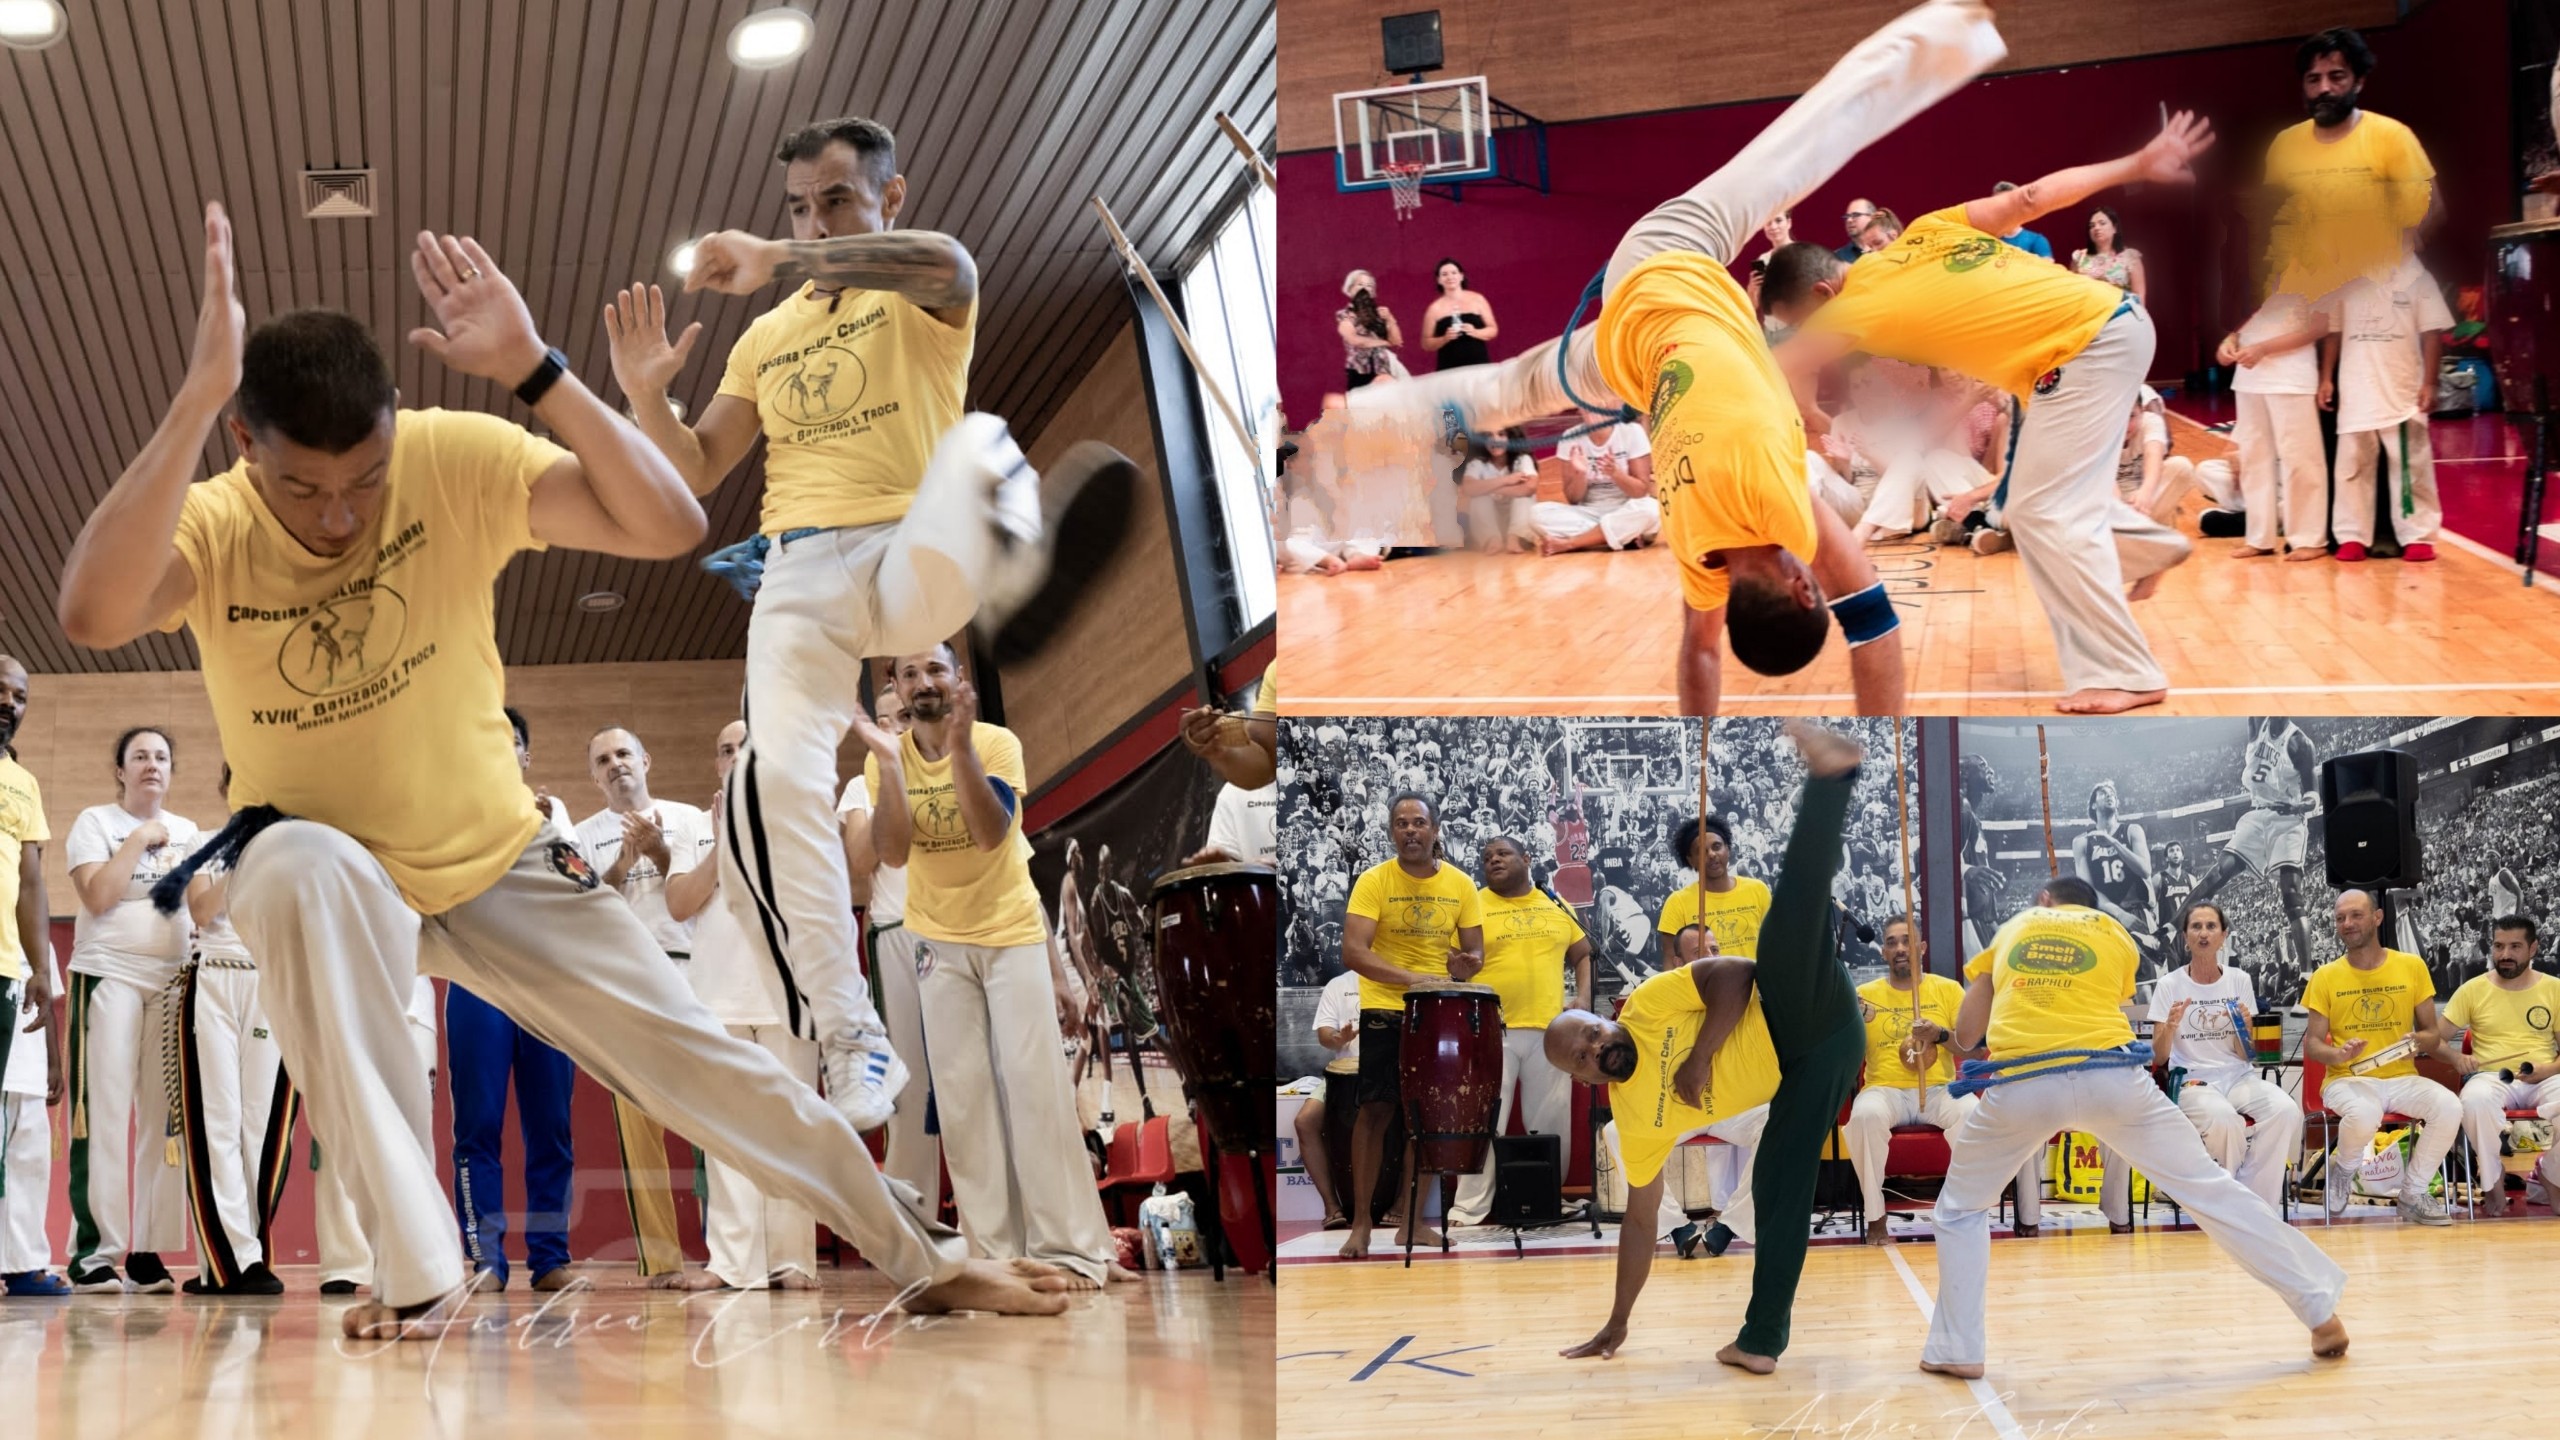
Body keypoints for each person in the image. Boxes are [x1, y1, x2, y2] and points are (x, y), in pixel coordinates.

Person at [59, 204, 1069, 1337]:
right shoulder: (212, 523)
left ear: (398, 427)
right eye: (306, 490)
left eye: (366, 478)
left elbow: (668, 521)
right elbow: (92, 612)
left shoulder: (451, 459)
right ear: (247, 445)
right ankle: (420, 1268)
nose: (340, 514)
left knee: (697, 1061)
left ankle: (920, 1256)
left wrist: (537, 370)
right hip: (337, 867)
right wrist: (194, 398)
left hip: (499, 863)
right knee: (282, 864)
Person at [604, 114, 1139, 1145]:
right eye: (797, 208)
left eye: (836, 201)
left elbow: (946, 258)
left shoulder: (926, 286)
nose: (811, 223)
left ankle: (1018, 580)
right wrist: (641, 396)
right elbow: (698, 465)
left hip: (911, 548)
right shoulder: (767, 335)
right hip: (799, 568)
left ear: (889, 197)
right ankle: (851, 1036)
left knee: (980, 440)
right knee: (771, 783)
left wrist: (780, 256)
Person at [1324, 0, 2012, 715]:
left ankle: (1953, 27)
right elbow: (1701, 652)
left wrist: (1879, 759)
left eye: (1809, 575)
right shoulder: (1697, 555)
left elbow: (1874, 625)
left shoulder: (1779, 505)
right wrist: (1698, 757)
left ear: (1803, 585)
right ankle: (1375, 413)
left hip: (1667, 267)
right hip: (1623, 357)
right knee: (1512, 387)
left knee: (1794, 153)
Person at [1765, 109, 2216, 715]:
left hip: (2086, 347)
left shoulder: (1850, 310)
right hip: (2113, 323)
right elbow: (2032, 196)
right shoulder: (1925, 229)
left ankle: (2128, 673)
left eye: (1807, 321)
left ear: (1823, 296)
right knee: (2023, 508)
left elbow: (1774, 367)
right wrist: (2136, 162)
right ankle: (2147, 545)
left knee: (2043, 514)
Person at [1919, 876, 2349, 1378]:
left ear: (2042, 902)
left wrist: (1945, 1032)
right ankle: (2319, 1312)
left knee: (1960, 1210)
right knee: (2210, 1190)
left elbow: (1970, 1037)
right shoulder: (2113, 932)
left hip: (2024, 1082)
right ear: (2091, 906)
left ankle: (1958, 1349)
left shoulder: (2014, 926)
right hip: (2112, 1077)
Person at [1547, 720, 1870, 1371]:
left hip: (1799, 1009)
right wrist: (1617, 1322)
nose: (1593, 1048)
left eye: (1589, 1031)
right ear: (1584, 1081)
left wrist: (1698, 1059)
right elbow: (1640, 1225)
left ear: (1603, 1019)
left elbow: (1734, 975)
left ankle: (1830, 781)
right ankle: (1760, 1342)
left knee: (1778, 935)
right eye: (1581, 1058)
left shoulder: (1646, 1004)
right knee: (1780, 1190)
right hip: (1814, 1071)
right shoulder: (1635, 1123)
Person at [853, 644, 1123, 1288]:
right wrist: (891, 764)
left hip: (1009, 932)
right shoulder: (880, 759)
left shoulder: (996, 742)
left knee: (1033, 1087)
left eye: (936, 670)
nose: (924, 682)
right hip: (933, 938)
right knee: (964, 1099)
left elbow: (989, 833)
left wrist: (962, 747)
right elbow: (889, 852)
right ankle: (995, 1255)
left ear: (958, 679)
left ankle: (1070, 1250)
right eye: (910, 674)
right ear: (895, 688)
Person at [575, 726, 718, 1289]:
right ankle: (660, 1259)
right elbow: (580, 913)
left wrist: (660, 854)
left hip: (694, 973)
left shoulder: (689, 819)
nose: (616, 765)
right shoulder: (583, 836)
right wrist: (619, 865)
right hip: (624, 984)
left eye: (624, 754)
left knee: (713, 1116)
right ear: (593, 776)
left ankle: (729, 1252)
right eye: (603, 760)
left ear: (646, 759)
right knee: (639, 1129)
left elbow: (705, 897)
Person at [443, 707, 578, 1293]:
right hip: (477, 983)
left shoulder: (553, 817)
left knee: (551, 1127)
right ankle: (486, 1260)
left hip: (545, 987)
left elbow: (579, 897)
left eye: (513, 741)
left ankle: (550, 1258)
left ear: (525, 755)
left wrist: (548, 837)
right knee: (479, 1126)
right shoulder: (445, 819)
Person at [63, 727, 199, 1294]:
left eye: (161, 756)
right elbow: (99, 896)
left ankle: (146, 1251)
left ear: (171, 770)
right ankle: (94, 1254)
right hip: (109, 976)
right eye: (139, 756)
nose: (151, 765)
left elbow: (203, 901)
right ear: (119, 770)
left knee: (165, 1124)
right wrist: (139, 839)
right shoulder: (96, 822)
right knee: (106, 1114)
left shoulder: (190, 831)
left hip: (171, 983)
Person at [697, 719, 822, 1289]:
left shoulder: (799, 816)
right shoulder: (697, 828)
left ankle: (792, 1260)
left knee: (791, 1131)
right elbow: (678, 904)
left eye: (745, 746)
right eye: (725, 750)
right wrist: (723, 843)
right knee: (729, 1137)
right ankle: (732, 1264)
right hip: (719, 998)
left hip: (789, 997)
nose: (735, 755)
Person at [1338, 791, 1484, 1260]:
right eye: (1400, 823)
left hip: (1438, 1012)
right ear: (1391, 832)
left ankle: (1412, 1224)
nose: (1410, 831)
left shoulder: (1461, 885)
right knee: (1376, 1113)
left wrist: (1464, 968)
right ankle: (1361, 1223)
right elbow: (1354, 953)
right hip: (1384, 1008)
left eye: (1419, 822)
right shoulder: (1373, 880)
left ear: (1435, 829)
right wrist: (1412, 979)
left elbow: (1474, 957)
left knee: (1428, 1120)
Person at [1847, 914, 2042, 1242]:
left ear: (1922, 947)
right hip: (1884, 1089)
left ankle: (1962, 1210)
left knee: (1969, 1113)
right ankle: (1876, 1218)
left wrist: (1939, 1035)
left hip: (1939, 1089)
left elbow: (1971, 1050)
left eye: (1908, 940)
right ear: (1882, 952)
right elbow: (1848, 1051)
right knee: (1864, 1116)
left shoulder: (1947, 990)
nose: (1900, 948)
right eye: (1892, 942)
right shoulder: (1864, 995)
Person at [176, 764, 295, 1296]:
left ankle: (243, 1256)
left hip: (269, 983)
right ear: (227, 789)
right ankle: (232, 1261)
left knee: (259, 1125)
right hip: (215, 982)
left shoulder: (290, 846)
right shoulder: (204, 841)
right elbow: (201, 908)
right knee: (217, 1121)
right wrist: (242, 854)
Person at [1448, 836, 1591, 1227]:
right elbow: (1454, 962)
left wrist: (1582, 997)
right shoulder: (1471, 904)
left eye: (1502, 854)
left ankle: (1547, 1198)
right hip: (1492, 1028)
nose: (1493, 860)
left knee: (1551, 1121)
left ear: (1527, 859)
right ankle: (1469, 1208)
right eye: (1487, 857)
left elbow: (1583, 954)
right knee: (1484, 1119)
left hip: (1552, 1032)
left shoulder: (1556, 903)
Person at [2300, 889, 2459, 1224]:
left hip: (2402, 1077)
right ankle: (2343, 1170)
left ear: (2377, 918)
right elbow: (2313, 1044)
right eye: (2340, 918)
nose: (2347, 923)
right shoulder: (2325, 976)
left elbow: (2432, 1032)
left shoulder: (2411, 966)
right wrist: (2337, 1052)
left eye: (2356, 915)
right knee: (2364, 1112)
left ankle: (2413, 1195)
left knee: (2450, 1107)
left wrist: (2419, 1039)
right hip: (2347, 1079)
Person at [839, 692, 939, 1203]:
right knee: (910, 1085)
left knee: (966, 1080)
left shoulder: (948, 768)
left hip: (954, 929)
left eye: (908, 716)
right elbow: (860, 861)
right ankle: (916, 1222)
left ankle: (988, 1228)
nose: (902, 727)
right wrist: (889, 782)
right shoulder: (863, 784)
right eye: (891, 719)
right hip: (894, 933)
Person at [2143, 901, 2302, 1214]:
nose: (2204, 933)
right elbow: (2159, 1057)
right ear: (2185, 937)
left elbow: (2248, 1054)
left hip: (2238, 1076)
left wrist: (2245, 1028)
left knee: (2286, 1111)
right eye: (2196, 927)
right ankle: (2224, 1207)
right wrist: (2170, 1028)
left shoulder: (2239, 980)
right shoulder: (2169, 984)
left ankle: (2255, 1205)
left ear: (2223, 935)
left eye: (2211, 926)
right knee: (2224, 1121)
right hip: (2192, 1079)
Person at [2263, 27, 2436, 307]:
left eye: (2337, 76)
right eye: (2313, 79)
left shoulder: (2392, 136)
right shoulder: (2284, 145)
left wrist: (2392, 272)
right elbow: (2276, 226)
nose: (2324, 89)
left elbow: (2429, 209)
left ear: (2359, 82)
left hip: (2374, 300)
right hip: (2305, 301)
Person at [2322, 256, 2450, 563]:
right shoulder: (2346, 279)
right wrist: (2326, 377)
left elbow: (2432, 333)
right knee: (2351, 466)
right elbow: (2334, 332)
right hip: (2356, 389)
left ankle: (2417, 535)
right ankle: (2352, 535)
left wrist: (2430, 383)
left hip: (2402, 388)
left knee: (2410, 466)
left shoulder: (2419, 277)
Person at [2430, 914, 2560, 1218]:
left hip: (2544, 1075)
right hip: (2491, 1077)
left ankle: (2551, 1177)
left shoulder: (2554, 988)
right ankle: (2492, 1182)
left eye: (2515, 946)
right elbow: (2433, 1040)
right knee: (2473, 1101)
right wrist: (2455, 1058)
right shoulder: (2472, 989)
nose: (2505, 955)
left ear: (2534, 949)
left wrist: (2549, 1070)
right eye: (2499, 946)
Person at [2186, 718, 2318, 980]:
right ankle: (2171, 929)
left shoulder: (2299, 742)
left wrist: (2303, 805)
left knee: (2291, 892)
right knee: (2217, 873)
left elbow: (2313, 791)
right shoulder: (2257, 724)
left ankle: (2306, 976)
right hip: (2257, 814)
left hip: (2287, 818)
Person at [2209, 291, 2330, 558]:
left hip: (2292, 378)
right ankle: (2259, 537)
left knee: (2300, 460)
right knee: (2253, 459)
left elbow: (2320, 325)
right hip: (2250, 379)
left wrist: (2264, 348)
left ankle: (2309, 538)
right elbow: (2252, 320)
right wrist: (2230, 341)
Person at [0, 657, 50, 1180]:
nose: (8, 704)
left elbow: (32, 882)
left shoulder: (24, 783)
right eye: (0, 692)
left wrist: (39, 968)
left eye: (19, 697)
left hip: (2, 970)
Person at [1, 944, 64, 1295]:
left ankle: (24, 1265)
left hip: (28, 1066)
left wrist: (52, 1061)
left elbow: (47, 1005)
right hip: (3, 1062)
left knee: (30, 1165)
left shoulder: (36, 936)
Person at [1533, 410, 1660, 555]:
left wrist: (1616, 474)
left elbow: (1640, 491)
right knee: (1536, 514)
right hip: (1590, 512)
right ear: (1580, 409)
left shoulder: (1632, 431)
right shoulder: (1570, 437)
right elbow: (1573, 499)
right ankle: (1623, 536)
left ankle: (1572, 543)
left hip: (1626, 509)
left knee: (1652, 509)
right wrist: (1580, 474)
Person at [1297, 968, 1363, 1230]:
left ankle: (1403, 1204)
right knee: (1305, 1121)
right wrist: (1339, 1038)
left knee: (1417, 1123)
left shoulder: (1398, 977)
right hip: (1343, 1073)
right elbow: (1326, 1038)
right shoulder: (1339, 984)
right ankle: (1332, 1206)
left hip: (1390, 1072)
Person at [2072, 781, 2159, 976]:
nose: (2109, 795)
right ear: (2093, 805)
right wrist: (2120, 915)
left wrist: (2114, 842)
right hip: (2107, 915)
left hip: (2137, 911)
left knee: (2147, 984)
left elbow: (2145, 870)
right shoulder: (2081, 842)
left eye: (2112, 792)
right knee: (2115, 983)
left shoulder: (2132, 831)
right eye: (2103, 793)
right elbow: (2089, 892)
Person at [1655, 815, 1771, 959]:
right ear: (1690, 860)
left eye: (1717, 847)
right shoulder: (1677, 903)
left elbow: (1775, 944)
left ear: (1728, 849)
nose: (1711, 854)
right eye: (1702, 851)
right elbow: (1671, 964)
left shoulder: (1758, 890)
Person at [1458, 429, 1539, 554]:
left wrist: (1488, 488)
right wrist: (1507, 480)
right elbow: (1468, 488)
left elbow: (1530, 487)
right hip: (1493, 519)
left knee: (1524, 498)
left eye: (1501, 435)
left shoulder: (1522, 459)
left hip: (1518, 519)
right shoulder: (1477, 463)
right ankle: (1492, 539)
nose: (1495, 440)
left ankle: (1515, 538)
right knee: (1479, 499)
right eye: (1489, 435)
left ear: (1511, 438)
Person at [1421, 258, 1498, 370]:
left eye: (1454, 273)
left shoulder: (1478, 299)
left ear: (1461, 276)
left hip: (1479, 365)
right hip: (1449, 369)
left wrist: (1475, 332)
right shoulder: (1434, 309)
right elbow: (1425, 343)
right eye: (1444, 274)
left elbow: (1493, 329)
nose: (1450, 277)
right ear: (1439, 280)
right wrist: (1444, 338)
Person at [1337, 269, 1404, 388]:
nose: (1364, 289)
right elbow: (1355, 340)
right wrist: (1384, 342)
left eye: (1369, 286)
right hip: (1360, 371)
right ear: (1350, 288)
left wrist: (1390, 319)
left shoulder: (1380, 314)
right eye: (1360, 284)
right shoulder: (1344, 315)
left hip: (1383, 369)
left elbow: (1397, 341)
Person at [2071, 208, 2144, 306]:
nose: (2096, 228)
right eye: (2092, 226)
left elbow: (2139, 296)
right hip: (2088, 315)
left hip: (2122, 314)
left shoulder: (2130, 257)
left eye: (2102, 223)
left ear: (2114, 228)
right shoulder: (2080, 257)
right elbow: (2072, 292)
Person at [1989, 182, 2053, 259]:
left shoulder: (2037, 241)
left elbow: (2047, 270)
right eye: (1997, 203)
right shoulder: (1986, 238)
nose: (2002, 208)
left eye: (2008, 203)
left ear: (2019, 206)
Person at [1836, 199, 1882, 263]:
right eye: (1847, 216)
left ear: (1872, 217)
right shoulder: (1838, 257)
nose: (1849, 220)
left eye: (1855, 215)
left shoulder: (1887, 246)